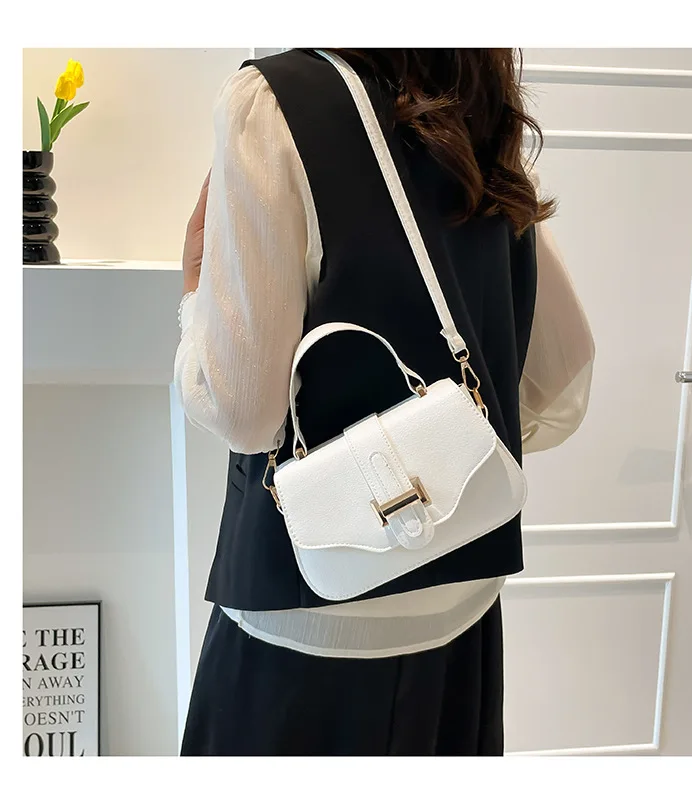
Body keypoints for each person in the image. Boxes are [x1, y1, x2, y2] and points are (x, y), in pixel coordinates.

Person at [174, 48, 595, 756]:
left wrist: (194, 293)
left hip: (305, 625)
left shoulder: (272, 105)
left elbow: (243, 412)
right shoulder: (476, 107)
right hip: (461, 620)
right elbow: (557, 380)